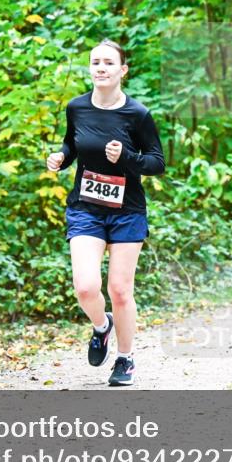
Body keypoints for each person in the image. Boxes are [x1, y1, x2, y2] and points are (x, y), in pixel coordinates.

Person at [46, 39, 165, 386]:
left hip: (127, 210)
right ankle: (102, 326)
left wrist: (125, 158)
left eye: (109, 63)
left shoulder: (138, 114)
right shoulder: (77, 107)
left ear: (122, 71)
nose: (101, 67)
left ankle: (125, 359)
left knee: (120, 290)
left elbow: (157, 163)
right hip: (87, 208)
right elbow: (73, 143)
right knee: (85, 287)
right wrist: (61, 158)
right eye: (95, 62)